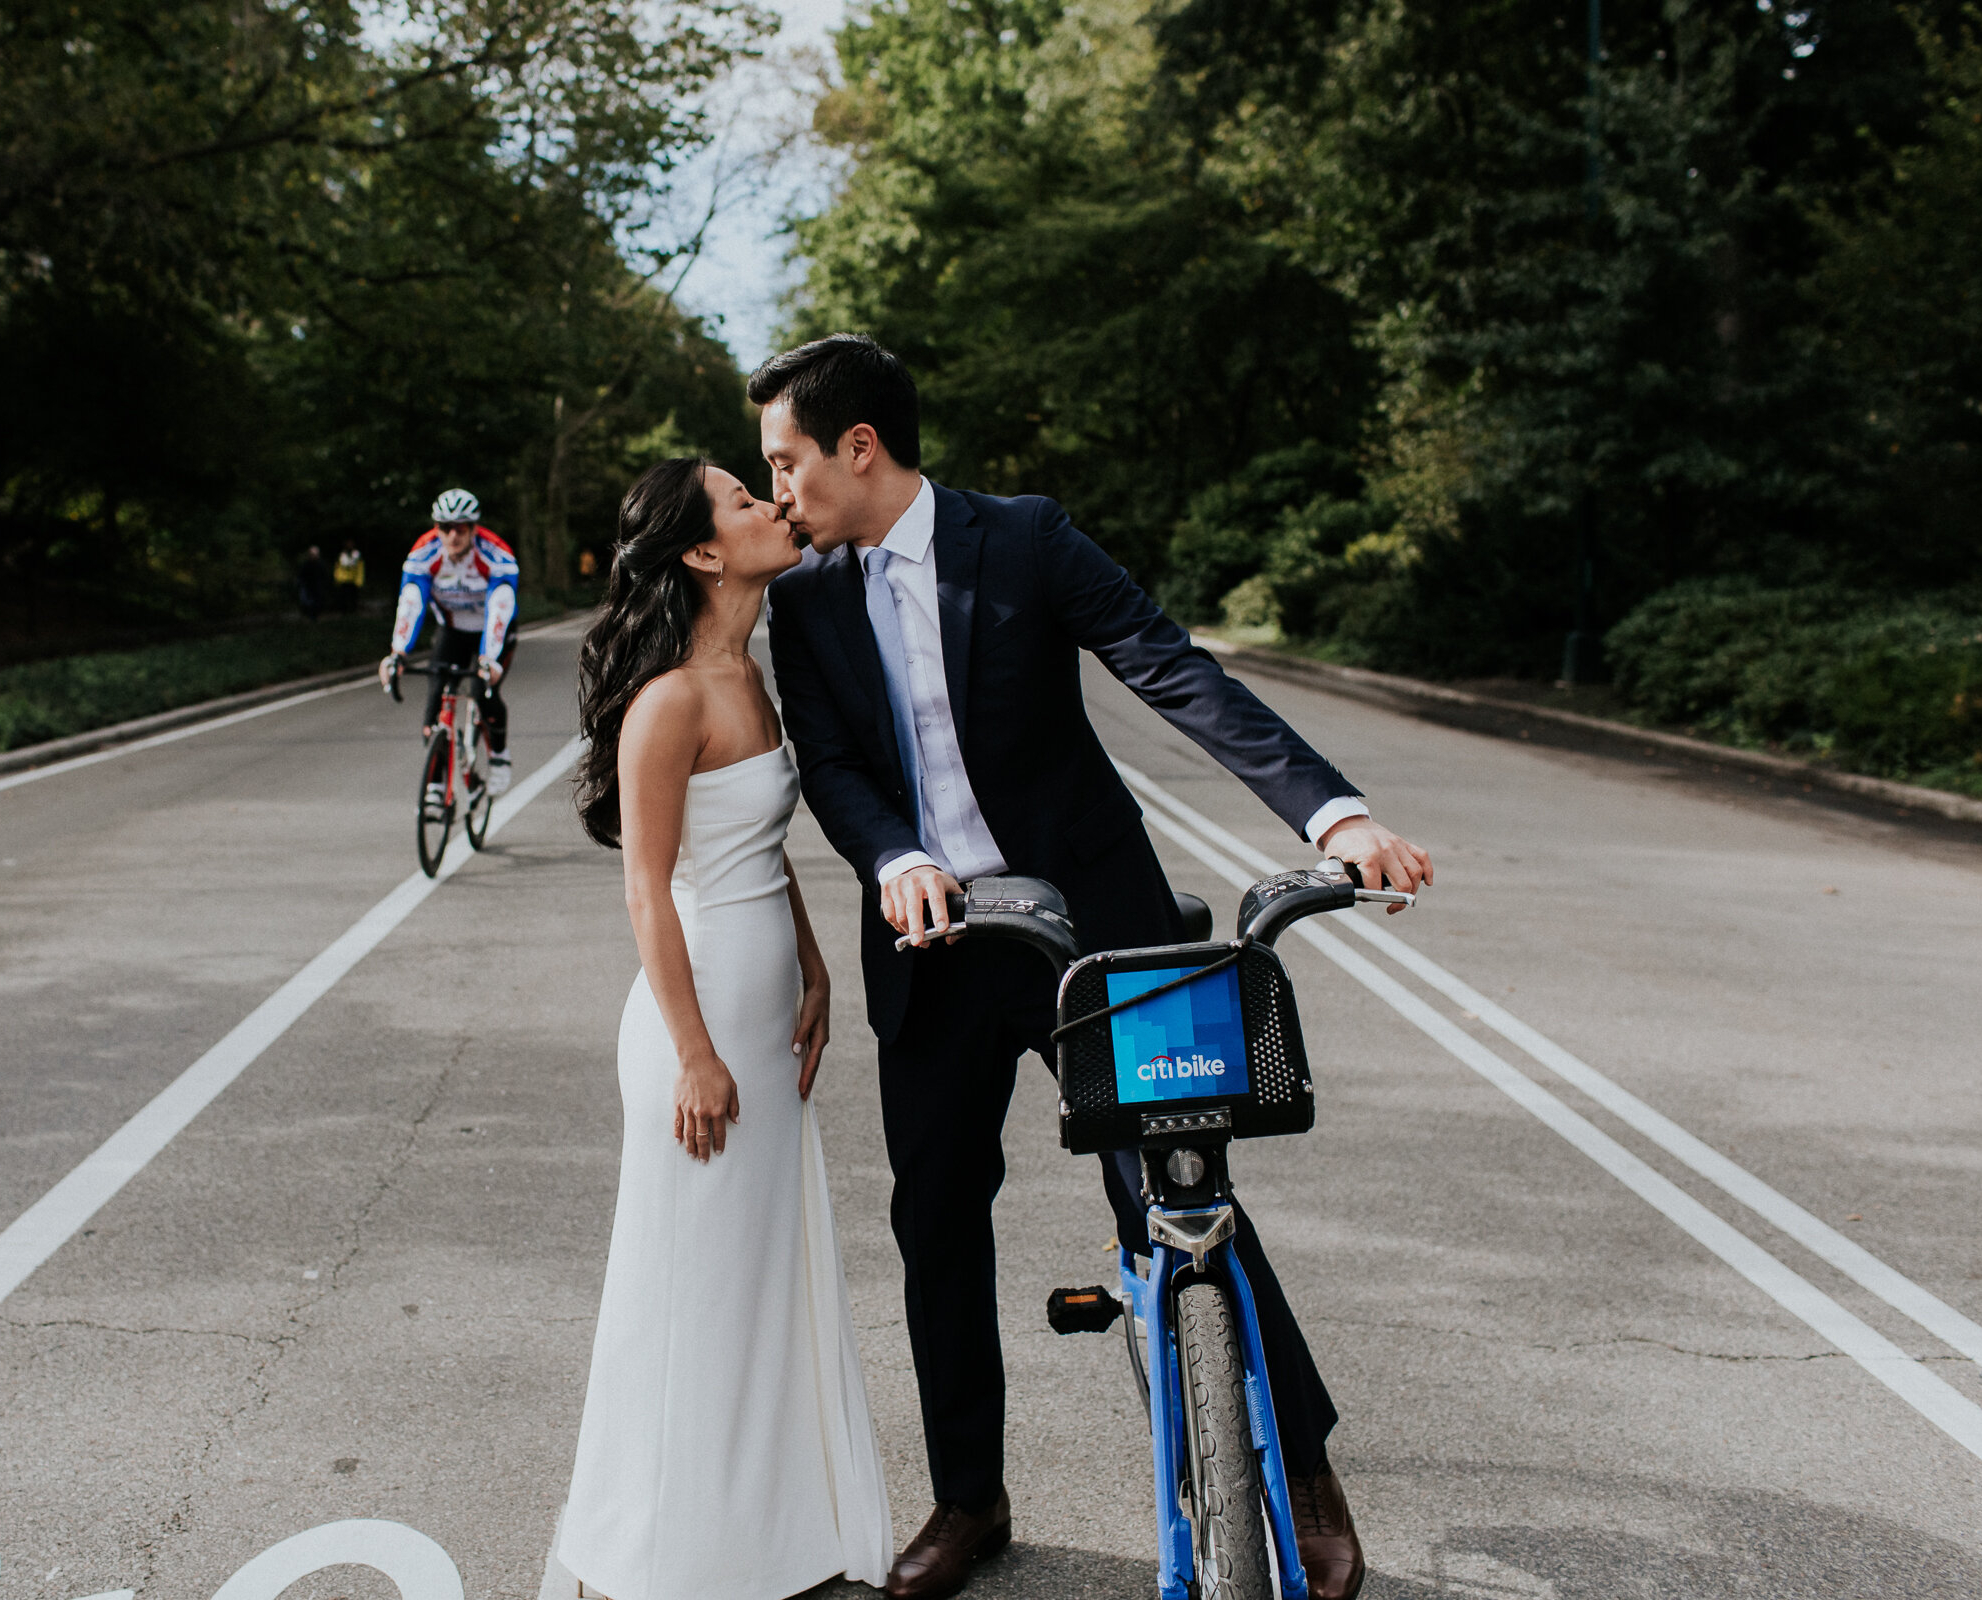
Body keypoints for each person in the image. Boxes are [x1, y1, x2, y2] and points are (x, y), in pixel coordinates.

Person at [759, 334, 1434, 1600]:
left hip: (1101, 934)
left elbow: (1170, 665)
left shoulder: (1021, 540)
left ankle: (1296, 1467)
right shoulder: (801, 600)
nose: (779, 491)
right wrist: (895, 853)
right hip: (935, 948)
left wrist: (1331, 814)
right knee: (936, 1219)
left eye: (787, 462)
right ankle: (971, 1500)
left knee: (1175, 1194)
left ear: (860, 447)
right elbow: (834, 768)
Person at [540, 459, 891, 1600]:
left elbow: (758, 844)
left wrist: (812, 954)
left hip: (764, 1007)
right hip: (694, 1030)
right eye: (744, 501)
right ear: (700, 551)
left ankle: (765, 1523)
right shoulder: (670, 702)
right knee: (690, 1284)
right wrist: (694, 1049)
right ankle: (672, 1548)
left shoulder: (753, 680)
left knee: (756, 1275)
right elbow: (649, 887)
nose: (771, 507)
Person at [378, 488, 518, 793]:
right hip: (452, 630)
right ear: (436, 528)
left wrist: (489, 659)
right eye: (445, 528)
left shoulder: (496, 556)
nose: (452, 536)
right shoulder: (423, 554)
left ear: (474, 529)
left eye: (461, 528)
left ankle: (499, 755)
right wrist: (397, 653)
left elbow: (499, 609)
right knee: (434, 704)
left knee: (484, 692)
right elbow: (411, 604)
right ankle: (437, 786)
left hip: (491, 631)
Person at [295, 543, 329, 621]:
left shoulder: (321, 565)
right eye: (311, 554)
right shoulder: (306, 565)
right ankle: (310, 616)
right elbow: (301, 575)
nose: (313, 556)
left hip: (318, 587)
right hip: (308, 587)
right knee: (308, 603)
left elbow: (324, 576)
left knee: (317, 603)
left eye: (314, 554)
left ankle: (315, 617)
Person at [332, 539, 366, 612]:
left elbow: (360, 568)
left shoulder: (357, 555)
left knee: (353, 598)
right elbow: (338, 567)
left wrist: (359, 580)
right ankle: (344, 612)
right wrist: (337, 578)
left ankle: (353, 612)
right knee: (343, 597)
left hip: (354, 580)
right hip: (343, 580)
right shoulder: (341, 555)